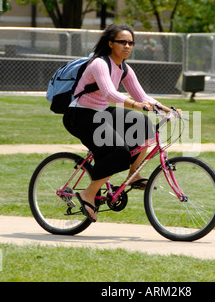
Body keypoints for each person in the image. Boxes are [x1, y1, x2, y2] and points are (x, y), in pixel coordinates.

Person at [62, 24, 176, 222]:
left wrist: (167, 109)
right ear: (110, 43)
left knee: (143, 124)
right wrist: (136, 105)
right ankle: (88, 193)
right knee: (119, 152)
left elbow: (142, 95)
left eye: (131, 42)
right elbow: (109, 93)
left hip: (101, 112)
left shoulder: (124, 68)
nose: (127, 46)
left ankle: (134, 173)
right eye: (122, 42)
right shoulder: (99, 63)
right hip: (80, 115)